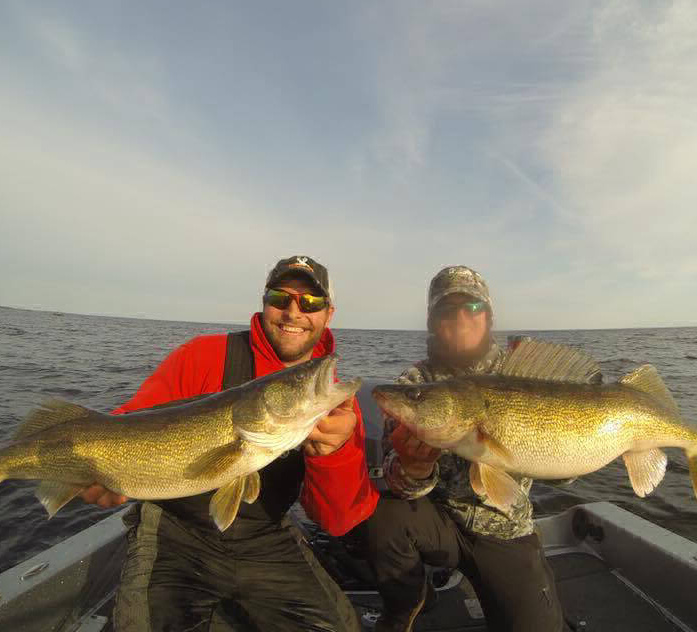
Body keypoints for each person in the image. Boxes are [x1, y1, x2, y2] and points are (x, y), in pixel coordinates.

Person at [81, 255, 378, 632]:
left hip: (266, 537)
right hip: (176, 532)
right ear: (264, 302)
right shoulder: (202, 354)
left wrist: (331, 454)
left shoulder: (334, 405)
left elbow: (336, 521)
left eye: (310, 302)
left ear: (328, 314)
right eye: (279, 298)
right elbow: (129, 422)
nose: (293, 312)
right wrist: (95, 466)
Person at [364, 265, 565, 632]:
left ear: (488, 316)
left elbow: (566, 475)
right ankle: (409, 600)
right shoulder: (414, 385)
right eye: (446, 310)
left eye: (471, 308)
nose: (460, 318)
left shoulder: (521, 374)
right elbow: (398, 481)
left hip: (505, 529)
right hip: (438, 522)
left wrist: (580, 454)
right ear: (432, 321)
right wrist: (414, 468)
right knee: (381, 517)